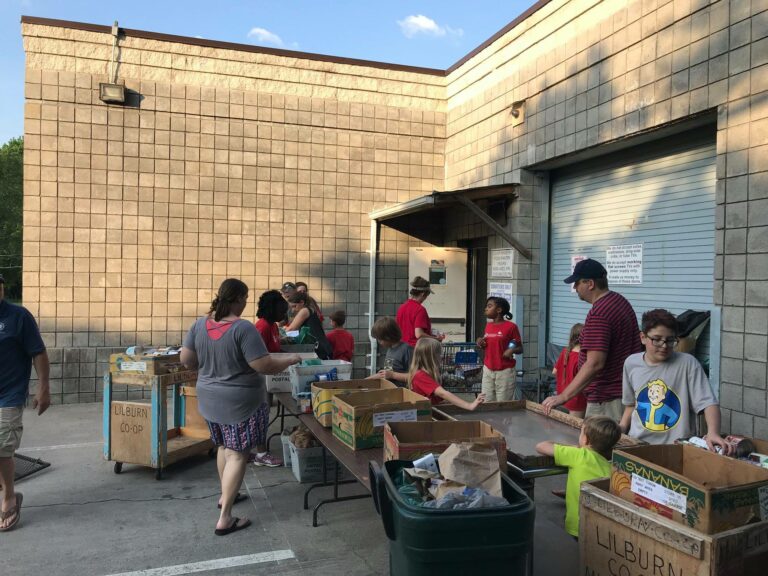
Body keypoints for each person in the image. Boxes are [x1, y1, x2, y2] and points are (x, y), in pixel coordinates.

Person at [180, 278, 301, 536]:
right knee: (238, 454)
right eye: (245, 298)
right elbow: (263, 365)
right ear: (237, 299)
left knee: (224, 447)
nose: (247, 303)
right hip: (240, 402)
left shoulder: (199, 324)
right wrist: (290, 359)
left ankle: (226, 497)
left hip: (209, 399)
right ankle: (225, 518)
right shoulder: (243, 329)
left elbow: (186, 361)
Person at [620, 309, 732, 454]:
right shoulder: (631, 363)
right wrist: (622, 427)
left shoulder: (688, 363)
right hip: (639, 444)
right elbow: (631, 404)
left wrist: (713, 432)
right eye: (657, 339)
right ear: (642, 337)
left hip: (676, 447)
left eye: (670, 340)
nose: (664, 345)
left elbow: (708, 402)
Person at [542, 259, 642, 421]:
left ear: (590, 283)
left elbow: (594, 363)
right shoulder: (619, 301)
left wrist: (563, 396)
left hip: (607, 399)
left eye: (577, 283)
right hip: (622, 393)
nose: (574, 288)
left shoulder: (599, 314)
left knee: (597, 445)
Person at [0, 273, 50, 532]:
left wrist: (43, 388)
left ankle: (9, 496)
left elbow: (38, 353)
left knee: (1, 448)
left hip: (8, 395)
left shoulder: (18, 317)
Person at [536, 416, 621, 539]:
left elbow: (541, 446)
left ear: (585, 440)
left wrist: (574, 447)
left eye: (581, 432)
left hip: (577, 525)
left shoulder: (579, 455)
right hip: (599, 529)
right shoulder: (610, 467)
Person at [409, 338, 486, 410]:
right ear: (431, 357)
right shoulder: (421, 376)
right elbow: (443, 393)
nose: (441, 357)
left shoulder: (423, 373)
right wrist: (469, 405)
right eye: (439, 354)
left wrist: (442, 401)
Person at [476, 296, 523, 402]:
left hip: (505, 372)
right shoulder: (488, 325)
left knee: (503, 404)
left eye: (489, 306)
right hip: (488, 370)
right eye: (486, 306)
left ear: (499, 310)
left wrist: (511, 350)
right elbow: (488, 344)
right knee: (486, 402)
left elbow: (519, 347)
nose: (486, 309)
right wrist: (480, 342)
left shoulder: (511, 327)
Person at [396, 276, 445, 347]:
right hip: (416, 350)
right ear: (422, 294)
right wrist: (435, 339)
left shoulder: (402, 307)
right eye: (427, 294)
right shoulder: (420, 309)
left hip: (401, 349)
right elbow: (419, 334)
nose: (426, 298)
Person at [553, 323, 587, 419]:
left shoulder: (565, 352)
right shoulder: (583, 357)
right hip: (577, 399)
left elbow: (554, 371)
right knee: (575, 430)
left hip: (562, 397)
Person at [286, 292, 333, 359]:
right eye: (291, 307)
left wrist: (280, 335)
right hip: (322, 347)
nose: (293, 310)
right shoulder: (311, 309)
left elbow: (291, 329)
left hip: (319, 348)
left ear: (302, 302)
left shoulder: (305, 310)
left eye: (294, 306)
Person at [368, 316, 413, 386]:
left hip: (403, 392)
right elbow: (386, 374)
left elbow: (415, 377)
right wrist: (366, 380)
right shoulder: (390, 350)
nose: (379, 342)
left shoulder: (406, 349)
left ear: (388, 337)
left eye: (380, 339)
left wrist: (393, 375)